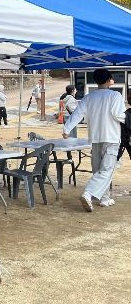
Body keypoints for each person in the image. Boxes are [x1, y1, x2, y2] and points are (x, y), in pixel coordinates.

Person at [63, 69, 126, 212]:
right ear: (108, 80)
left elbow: (77, 114)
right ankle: (88, 193)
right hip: (111, 137)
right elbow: (118, 115)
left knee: (98, 169)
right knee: (107, 170)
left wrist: (67, 129)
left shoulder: (88, 97)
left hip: (95, 138)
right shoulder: (115, 95)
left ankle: (105, 198)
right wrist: (127, 118)